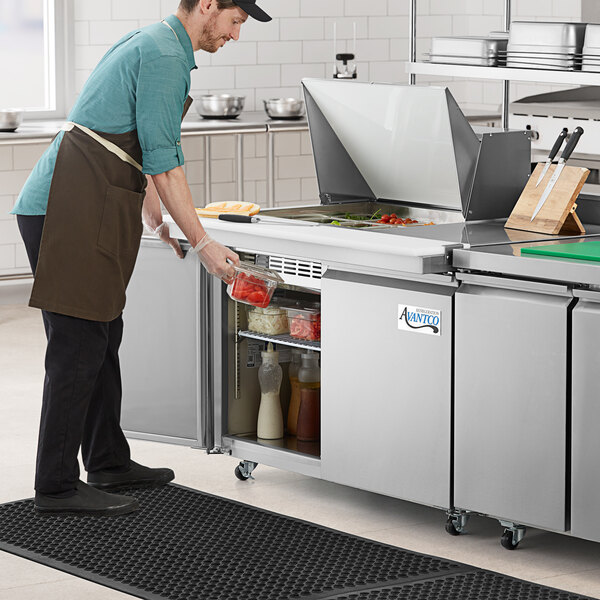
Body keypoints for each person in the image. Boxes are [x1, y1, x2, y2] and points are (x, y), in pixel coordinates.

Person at [10, 0, 272, 517]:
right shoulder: (164, 57)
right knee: (78, 346)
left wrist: (158, 220)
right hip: (68, 207)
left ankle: (107, 460)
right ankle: (56, 486)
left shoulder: (158, 44)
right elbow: (165, 162)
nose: (237, 35)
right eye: (236, 21)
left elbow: (131, 147)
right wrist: (204, 243)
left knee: (103, 335)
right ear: (207, 6)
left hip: (88, 200)